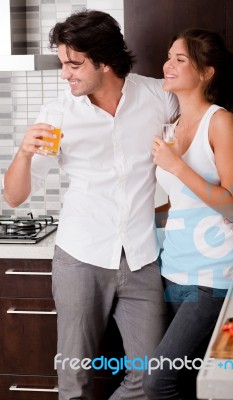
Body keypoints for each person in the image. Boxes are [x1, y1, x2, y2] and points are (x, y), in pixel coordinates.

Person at [3, 9, 181, 400]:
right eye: (63, 63)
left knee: (153, 378)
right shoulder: (57, 114)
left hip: (141, 257)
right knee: (75, 381)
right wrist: (23, 153)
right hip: (80, 257)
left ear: (105, 60)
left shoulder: (158, 98)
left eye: (74, 64)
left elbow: (198, 136)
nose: (65, 73)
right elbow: (14, 196)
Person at [142, 28, 233, 400]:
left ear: (206, 72)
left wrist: (176, 165)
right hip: (174, 268)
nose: (167, 65)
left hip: (212, 275)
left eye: (180, 59)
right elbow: (182, 201)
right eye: (169, 57)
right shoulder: (173, 127)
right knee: (188, 378)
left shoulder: (220, 122)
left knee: (158, 381)